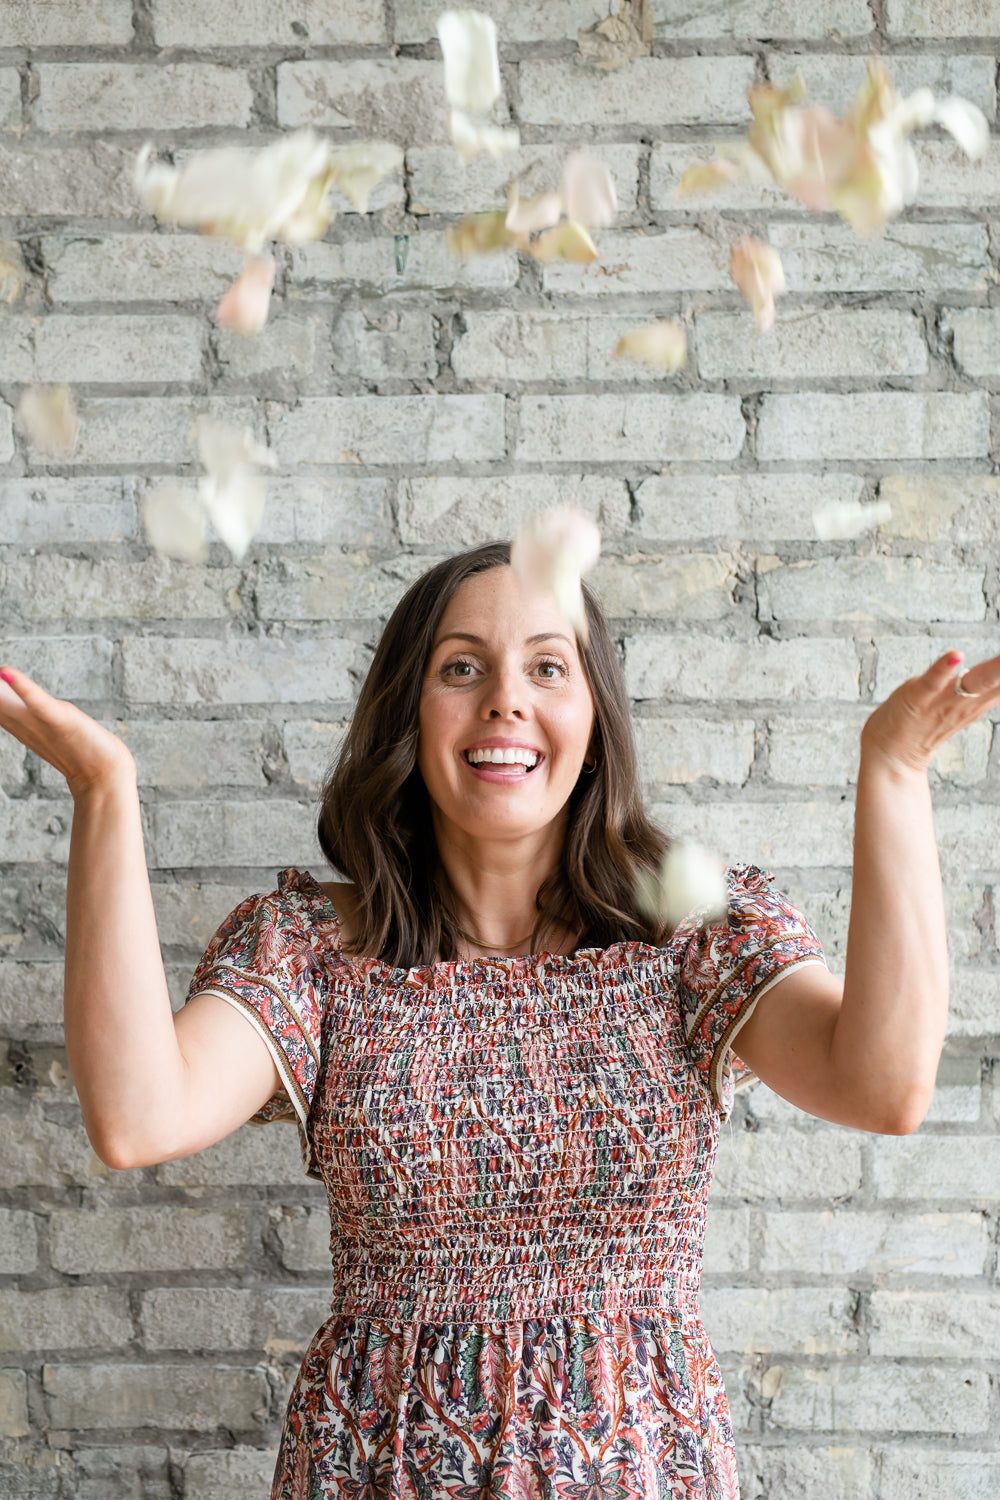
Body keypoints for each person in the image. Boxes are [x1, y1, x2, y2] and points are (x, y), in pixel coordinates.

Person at [1, 539, 998, 1500]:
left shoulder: (690, 938)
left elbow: (883, 1083)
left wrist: (893, 774)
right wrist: (103, 791)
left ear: (596, 716)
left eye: (548, 667)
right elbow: (137, 1117)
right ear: (410, 711)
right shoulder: (311, 954)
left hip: (638, 1467)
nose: (505, 699)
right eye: (462, 666)